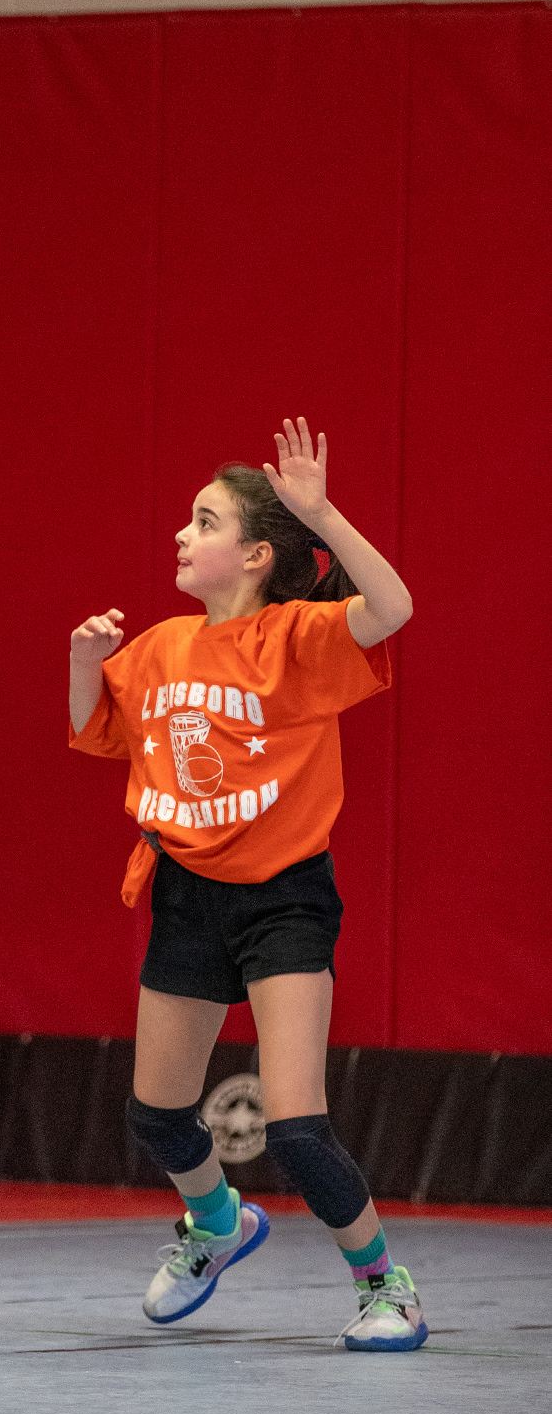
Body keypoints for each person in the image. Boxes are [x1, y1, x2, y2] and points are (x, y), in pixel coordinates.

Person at [69, 418, 425, 1352]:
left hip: (284, 899)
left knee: (296, 1128)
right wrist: (81, 662)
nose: (181, 535)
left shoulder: (296, 639)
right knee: (154, 1114)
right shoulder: (158, 647)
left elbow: (392, 606)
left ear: (257, 555)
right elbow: (98, 731)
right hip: (187, 891)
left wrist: (323, 514)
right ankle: (217, 1224)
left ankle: (385, 1286)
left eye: (204, 522)